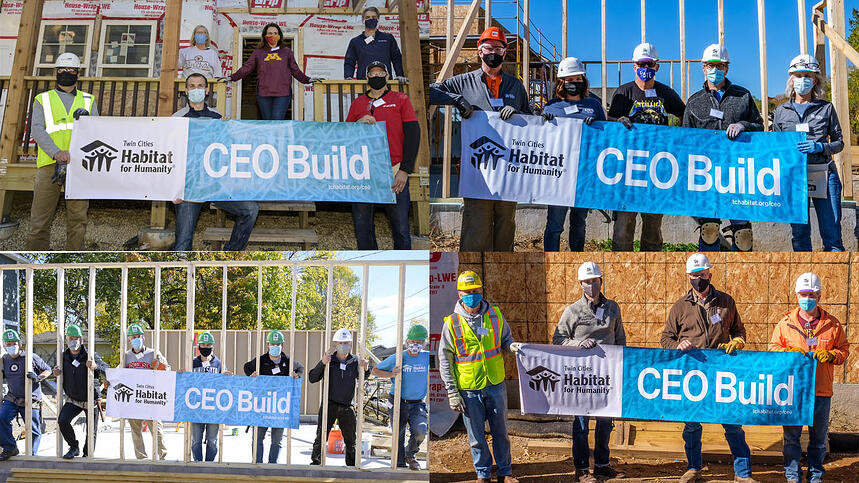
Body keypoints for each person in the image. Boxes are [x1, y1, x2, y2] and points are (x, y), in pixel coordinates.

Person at [429, 26, 531, 252]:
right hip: (478, 170)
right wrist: (456, 100)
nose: (493, 52)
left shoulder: (515, 85)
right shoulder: (463, 82)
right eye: (488, 48)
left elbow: (531, 120)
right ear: (479, 51)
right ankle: (472, 275)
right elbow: (430, 91)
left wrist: (518, 115)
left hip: (508, 170)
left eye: (498, 48)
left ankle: (501, 275)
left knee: (505, 225)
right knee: (477, 225)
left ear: (505, 53)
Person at [660, 254, 756, 483]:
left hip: (722, 374)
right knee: (692, 425)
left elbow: (739, 331)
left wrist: (738, 342)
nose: (698, 279)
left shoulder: (725, 302)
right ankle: (694, 468)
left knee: (733, 423)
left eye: (702, 275)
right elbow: (665, 338)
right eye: (694, 275)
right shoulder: (680, 307)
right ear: (688, 277)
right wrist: (677, 345)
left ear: (710, 274)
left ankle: (742, 474)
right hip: (693, 375)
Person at [438, 271, 520, 483]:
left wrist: (512, 347)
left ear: (481, 290)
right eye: (467, 292)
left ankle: (505, 472)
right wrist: (452, 392)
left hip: (495, 384)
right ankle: (483, 474)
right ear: (459, 293)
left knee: (500, 432)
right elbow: (445, 360)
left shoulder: (495, 315)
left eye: (475, 291)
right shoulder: (452, 323)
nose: (472, 295)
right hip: (469, 389)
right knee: (476, 436)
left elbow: (506, 339)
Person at [682, 44, 764, 252]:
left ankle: (743, 275)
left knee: (742, 233)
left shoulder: (743, 96)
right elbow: (685, 139)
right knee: (709, 230)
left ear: (726, 68)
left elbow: (760, 127)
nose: (714, 70)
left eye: (719, 66)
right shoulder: (694, 102)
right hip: (706, 175)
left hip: (737, 174)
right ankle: (710, 272)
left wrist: (743, 125)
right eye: (710, 65)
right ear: (703, 68)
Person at [769, 273, 849, 483]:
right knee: (791, 438)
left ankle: (816, 475)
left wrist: (833, 355)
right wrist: (788, 352)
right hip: (793, 392)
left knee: (819, 439)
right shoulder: (785, 324)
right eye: (804, 294)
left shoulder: (832, 324)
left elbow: (843, 350)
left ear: (819, 295)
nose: (807, 298)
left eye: (811, 294)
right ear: (797, 295)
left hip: (821, 391)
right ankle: (793, 475)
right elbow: (773, 349)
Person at [552, 262, 626, 482]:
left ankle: (602, 465)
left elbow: (619, 337)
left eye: (595, 281)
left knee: (605, 423)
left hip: (607, 376)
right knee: (582, 425)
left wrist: (623, 363)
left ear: (601, 281)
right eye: (587, 282)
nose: (591, 285)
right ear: (580, 284)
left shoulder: (613, 308)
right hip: (583, 378)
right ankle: (582, 470)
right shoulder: (573, 311)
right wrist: (577, 343)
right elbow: (558, 339)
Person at [608, 42, 685, 252]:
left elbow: (684, 115)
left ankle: (651, 272)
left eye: (650, 64)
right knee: (624, 226)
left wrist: (675, 137)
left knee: (653, 228)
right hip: (628, 171)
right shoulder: (624, 92)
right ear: (634, 66)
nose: (645, 68)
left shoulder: (665, 93)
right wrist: (617, 121)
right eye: (641, 64)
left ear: (657, 67)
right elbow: (610, 122)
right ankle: (622, 272)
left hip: (656, 171)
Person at [171, 73, 259, 251]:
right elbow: (170, 155)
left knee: (250, 210)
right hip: (189, 187)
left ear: (207, 90)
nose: (196, 89)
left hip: (215, 184)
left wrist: (227, 130)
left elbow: (227, 150)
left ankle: (229, 255)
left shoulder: (217, 117)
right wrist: (173, 189)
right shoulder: (176, 119)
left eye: (200, 85)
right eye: (192, 86)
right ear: (186, 91)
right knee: (182, 245)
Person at [772, 54, 845, 252]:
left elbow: (839, 143)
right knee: (800, 235)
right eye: (798, 75)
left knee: (832, 233)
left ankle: (834, 277)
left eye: (807, 75)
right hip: (795, 177)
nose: (802, 79)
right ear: (791, 79)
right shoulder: (781, 112)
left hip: (823, 173)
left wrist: (821, 147)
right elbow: (775, 145)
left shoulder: (826, 108)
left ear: (815, 80)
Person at [28, 52, 98, 251]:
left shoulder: (88, 100)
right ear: (56, 72)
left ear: (78, 74)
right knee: (40, 219)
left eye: (71, 70)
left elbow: (95, 131)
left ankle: (74, 258)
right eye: (63, 70)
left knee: (78, 219)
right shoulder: (43, 99)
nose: (67, 73)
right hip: (50, 164)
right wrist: (56, 152)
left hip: (79, 167)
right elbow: (37, 129)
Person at [346, 61, 420, 249]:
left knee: (401, 228)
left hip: (394, 170)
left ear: (388, 77)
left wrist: (405, 170)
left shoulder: (401, 99)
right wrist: (358, 123)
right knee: (363, 228)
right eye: (373, 73)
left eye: (381, 73)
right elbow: (345, 135)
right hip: (364, 172)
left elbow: (413, 134)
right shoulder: (358, 103)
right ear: (367, 78)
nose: (377, 76)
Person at [541, 57, 607, 252]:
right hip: (559, 176)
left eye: (578, 79)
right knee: (555, 225)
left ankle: (576, 259)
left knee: (579, 222)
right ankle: (552, 260)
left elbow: (604, 137)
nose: (574, 83)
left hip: (583, 176)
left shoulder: (594, 105)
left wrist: (596, 124)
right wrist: (543, 122)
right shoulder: (551, 106)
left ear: (584, 81)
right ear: (561, 82)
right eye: (570, 80)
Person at [227, 23, 322, 120]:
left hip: (282, 93)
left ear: (280, 35)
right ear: (265, 35)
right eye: (270, 33)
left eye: (275, 33)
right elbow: (247, 68)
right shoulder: (258, 52)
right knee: (267, 121)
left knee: (277, 119)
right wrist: (232, 77)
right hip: (264, 93)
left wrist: (308, 79)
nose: (273, 35)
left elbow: (295, 70)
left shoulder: (287, 52)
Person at [371, 324, 429, 470]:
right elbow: (375, 370)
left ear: (424, 343)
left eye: (419, 342)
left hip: (417, 403)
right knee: (399, 432)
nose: (415, 345)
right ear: (407, 341)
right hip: (398, 400)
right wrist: (391, 374)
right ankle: (399, 465)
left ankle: (410, 454)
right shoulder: (398, 357)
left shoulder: (427, 357)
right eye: (412, 341)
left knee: (421, 430)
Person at [308, 328, 369, 466]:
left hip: (347, 405)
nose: (343, 345)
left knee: (351, 440)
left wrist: (365, 368)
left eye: (346, 342)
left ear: (351, 345)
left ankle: (351, 466)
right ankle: (315, 463)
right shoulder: (329, 360)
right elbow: (312, 378)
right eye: (340, 342)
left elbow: (363, 378)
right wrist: (322, 363)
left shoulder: (356, 361)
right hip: (330, 404)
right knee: (321, 436)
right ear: (335, 344)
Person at [242, 330, 304, 464]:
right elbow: (246, 367)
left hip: (279, 407)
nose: (275, 346)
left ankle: (272, 465)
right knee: (258, 438)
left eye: (278, 344)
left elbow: (301, 369)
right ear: (267, 345)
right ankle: (257, 464)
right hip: (262, 405)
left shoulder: (288, 361)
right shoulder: (261, 360)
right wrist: (251, 375)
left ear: (282, 345)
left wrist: (296, 375)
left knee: (277, 440)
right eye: (272, 343)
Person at [52, 324, 108, 459]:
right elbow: (55, 369)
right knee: (63, 421)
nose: (74, 341)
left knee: (91, 431)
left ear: (81, 340)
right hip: (73, 399)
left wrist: (95, 366)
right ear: (66, 340)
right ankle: (73, 447)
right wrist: (55, 371)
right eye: (71, 338)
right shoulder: (63, 357)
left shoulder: (90, 355)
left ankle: (87, 455)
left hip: (91, 399)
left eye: (76, 338)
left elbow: (106, 369)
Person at [0, 329, 51, 460]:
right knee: (1, 418)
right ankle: (10, 447)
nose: (12, 346)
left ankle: (32, 455)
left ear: (20, 344)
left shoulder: (30, 357)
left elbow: (48, 369)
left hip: (31, 398)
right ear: (5, 346)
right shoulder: (4, 359)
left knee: (33, 429)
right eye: (8, 344)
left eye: (14, 343)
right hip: (13, 398)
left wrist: (38, 377)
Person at [123, 323, 170, 460]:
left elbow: (167, 369)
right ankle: (141, 457)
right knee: (135, 430)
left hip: (150, 397)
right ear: (129, 340)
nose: (136, 339)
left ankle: (163, 456)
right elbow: (118, 372)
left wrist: (161, 367)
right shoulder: (126, 356)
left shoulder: (153, 353)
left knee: (157, 429)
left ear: (143, 337)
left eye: (138, 336)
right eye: (133, 337)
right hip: (133, 398)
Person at [190, 331, 232, 462]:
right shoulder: (192, 363)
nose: (206, 347)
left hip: (213, 410)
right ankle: (197, 465)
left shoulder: (219, 363)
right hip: (196, 409)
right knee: (196, 441)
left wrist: (227, 377)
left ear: (212, 347)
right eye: (203, 344)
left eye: (208, 345)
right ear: (198, 346)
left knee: (212, 441)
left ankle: (209, 465)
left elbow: (225, 384)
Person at [344, 7, 404, 81]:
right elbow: (349, 61)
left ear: (378, 19)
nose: (371, 19)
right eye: (367, 17)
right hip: (363, 83)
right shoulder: (355, 41)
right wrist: (348, 77)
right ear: (363, 20)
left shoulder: (388, 38)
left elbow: (396, 58)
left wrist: (400, 75)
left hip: (385, 83)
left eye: (374, 17)